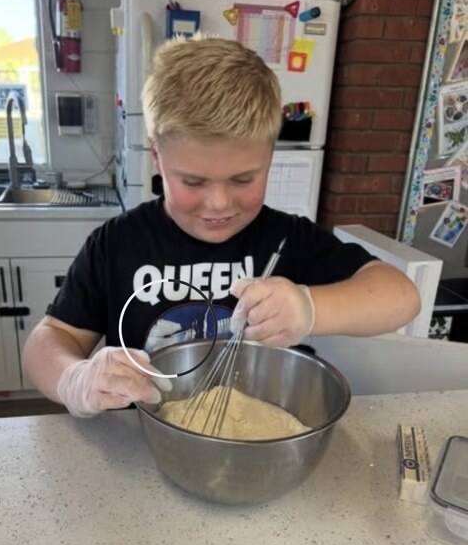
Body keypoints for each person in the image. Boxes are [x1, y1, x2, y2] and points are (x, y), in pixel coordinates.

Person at [22, 35, 421, 418]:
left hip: (264, 443)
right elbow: (51, 337)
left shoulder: (288, 239)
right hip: (141, 439)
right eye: (193, 182)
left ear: (270, 155)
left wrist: (311, 307)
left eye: (243, 180)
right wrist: (73, 378)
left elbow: (401, 296)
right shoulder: (117, 244)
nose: (218, 203)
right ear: (157, 156)